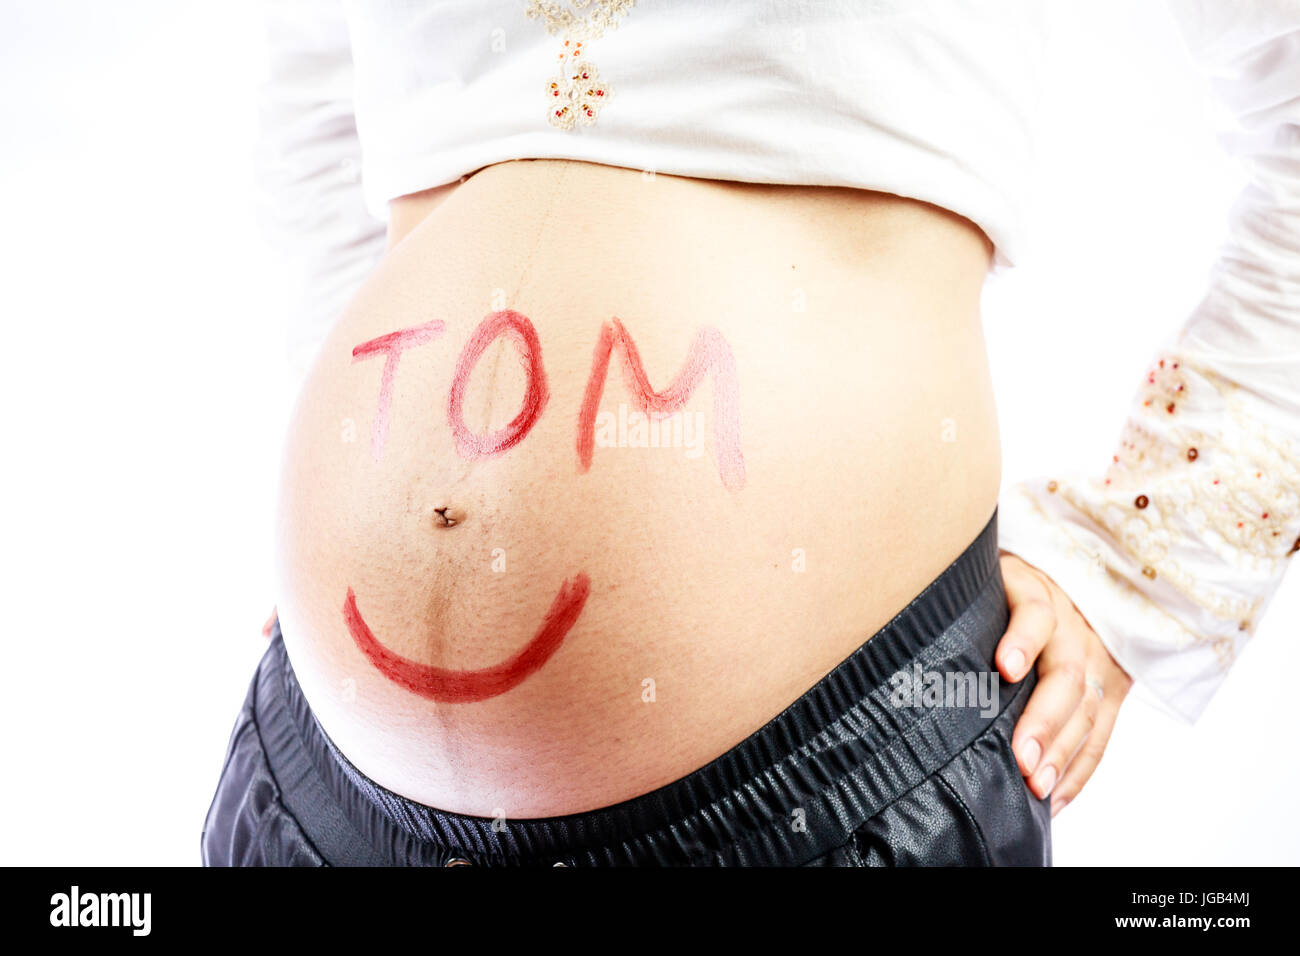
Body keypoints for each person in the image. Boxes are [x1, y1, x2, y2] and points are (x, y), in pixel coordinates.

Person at [202, 0, 1300, 866]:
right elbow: (312, 104)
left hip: (829, 787)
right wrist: (354, 486)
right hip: (317, 795)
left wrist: (1145, 561)